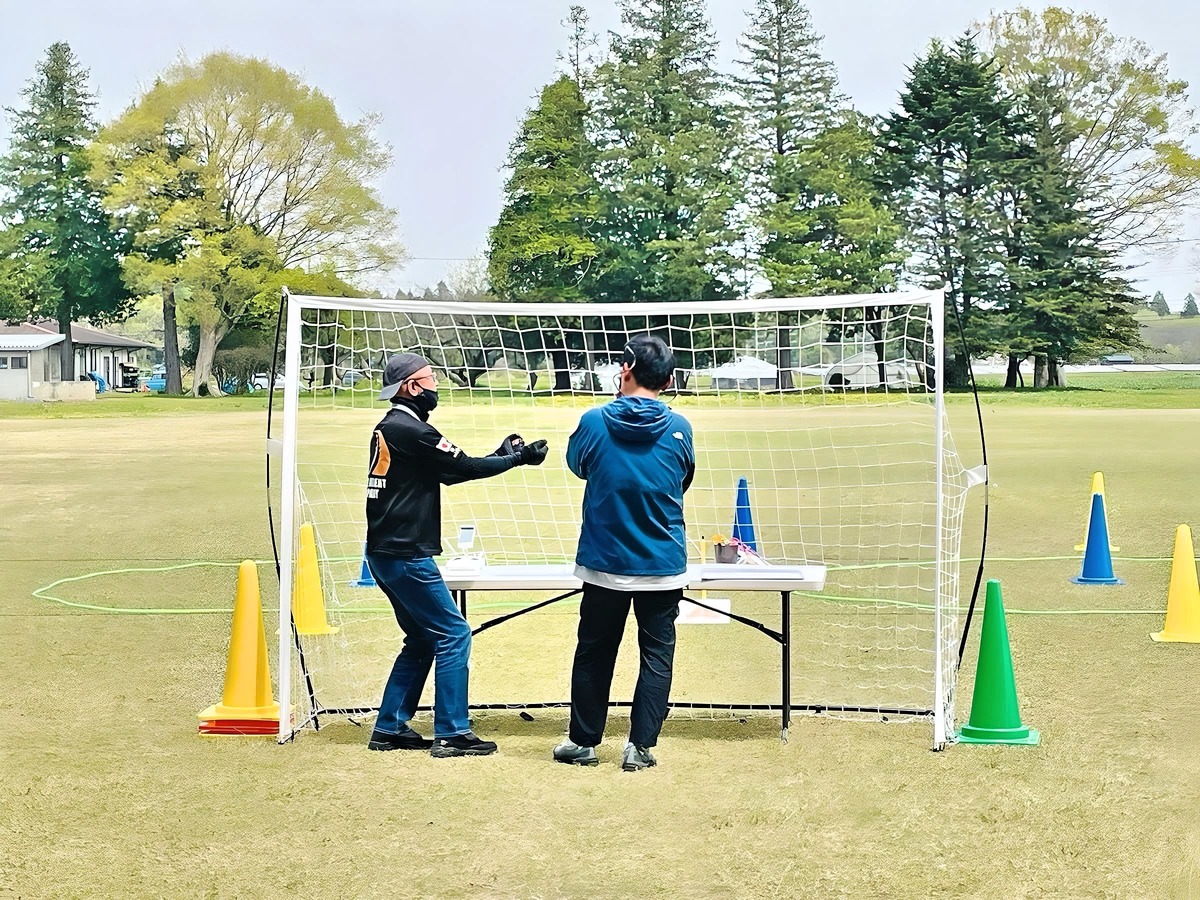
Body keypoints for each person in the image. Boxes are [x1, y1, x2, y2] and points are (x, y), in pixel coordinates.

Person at [365, 352, 548, 758]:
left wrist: (500, 453)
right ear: (412, 387)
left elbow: (448, 471)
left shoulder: (391, 428)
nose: (435, 387)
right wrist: (517, 458)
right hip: (407, 554)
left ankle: (390, 726)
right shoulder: (412, 431)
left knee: (421, 638)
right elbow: (464, 466)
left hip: (384, 553)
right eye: (431, 379)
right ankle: (451, 732)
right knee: (453, 633)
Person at [554, 336, 695, 771]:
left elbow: (578, 466)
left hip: (604, 563)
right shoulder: (681, 427)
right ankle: (640, 747)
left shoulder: (593, 421)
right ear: (670, 380)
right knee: (657, 655)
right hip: (662, 563)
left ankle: (584, 742)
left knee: (595, 652)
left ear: (625, 371)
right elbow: (682, 479)